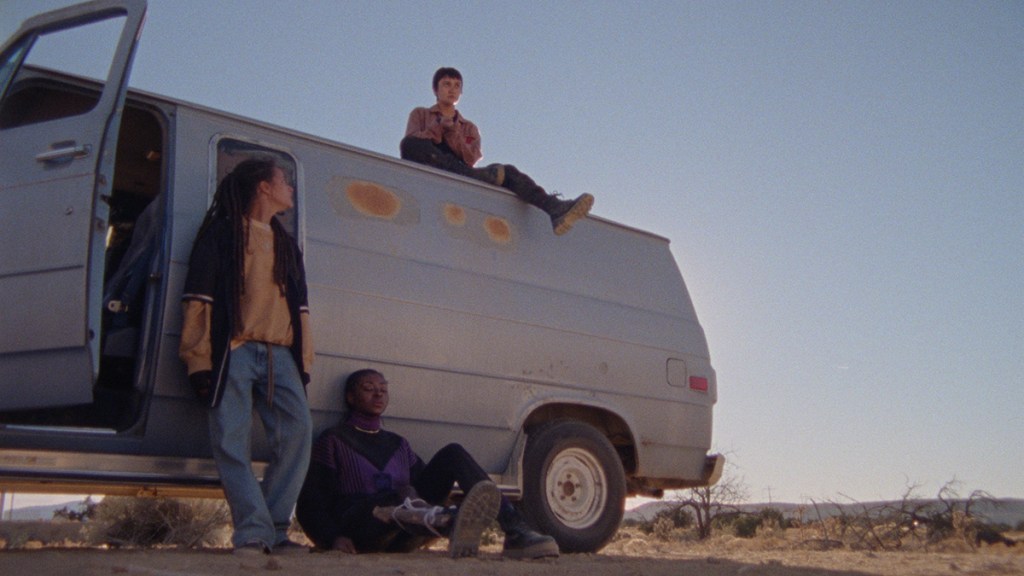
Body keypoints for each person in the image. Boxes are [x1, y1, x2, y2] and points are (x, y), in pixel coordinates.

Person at [179, 158, 314, 557]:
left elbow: (301, 309)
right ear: (263, 187)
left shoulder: (286, 243)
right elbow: (199, 299)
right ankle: (254, 532)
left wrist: (303, 361)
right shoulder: (222, 234)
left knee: (298, 433)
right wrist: (199, 361)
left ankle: (275, 527)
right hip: (234, 350)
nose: (290, 187)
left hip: (280, 354)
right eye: (283, 181)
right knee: (230, 440)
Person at [296, 368, 560, 559]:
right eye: (368, 388)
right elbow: (311, 503)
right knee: (397, 496)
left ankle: (515, 528)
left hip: (404, 533)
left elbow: (425, 488)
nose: (378, 394)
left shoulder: (398, 444)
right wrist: (331, 538)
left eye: (383, 389)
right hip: (361, 531)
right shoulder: (333, 440)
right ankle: (447, 521)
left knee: (452, 454)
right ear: (351, 397)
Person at [400, 67, 594, 236]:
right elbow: (411, 146)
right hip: (430, 166)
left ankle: (555, 208)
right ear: (436, 89)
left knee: (507, 171)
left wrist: (453, 134)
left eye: (457, 86)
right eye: (446, 84)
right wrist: (439, 127)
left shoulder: (469, 128)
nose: (452, 89)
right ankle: (484, 177)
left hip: (462, 172)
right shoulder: (420, 114)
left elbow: (470, 157)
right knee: (411, 144)